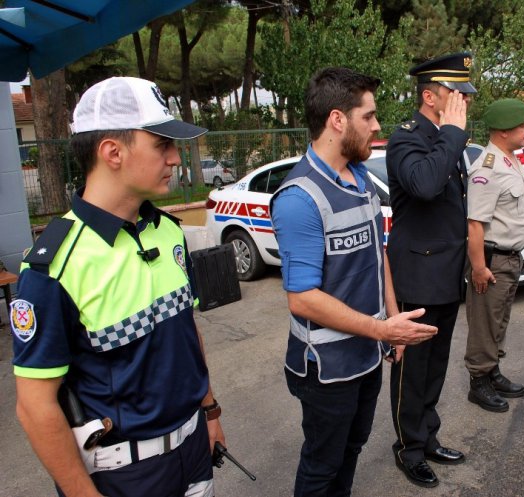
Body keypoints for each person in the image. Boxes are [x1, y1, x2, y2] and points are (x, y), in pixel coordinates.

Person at [11, 76, 225, 497]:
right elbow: (35, 408)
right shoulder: (52, 267)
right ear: (112, 151)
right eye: (163, 144)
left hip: (194, 450)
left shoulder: (168, 233)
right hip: (123, 477)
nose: (176, 159)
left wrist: (210, 411)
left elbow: (186, 334)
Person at [270, 67, 437, 497]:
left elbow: (376, 252)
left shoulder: (360, 179)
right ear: (337, 120)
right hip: (327, 371)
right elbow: (303, 299)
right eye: (369, 116)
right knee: (322, 466)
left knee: (352, 450)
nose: (378, 125)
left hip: (365, 355)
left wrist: (393, 321)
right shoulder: (298, 198)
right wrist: (383, 329)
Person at [385, 52, 475, 488]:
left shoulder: (445, 138)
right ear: (429, 96)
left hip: (445, 273)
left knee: (436, 366)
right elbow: (424, 185)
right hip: (417, 276)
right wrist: (453, 134)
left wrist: (452, 135)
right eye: (456, 94)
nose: (464, 102)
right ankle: (409, 447)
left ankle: (428, 435)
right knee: (412, 370)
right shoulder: (407, 139)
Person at [464, 99, 524, 414]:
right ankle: (478, 382)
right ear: (505, 130)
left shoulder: (509, 159)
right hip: (492, 261)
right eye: (523, 126)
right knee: (484, 322)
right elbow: (475, 225)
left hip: (510, 258)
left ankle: (492, 371)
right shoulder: (487, 168)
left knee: (499, 319)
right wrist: (478, 268)